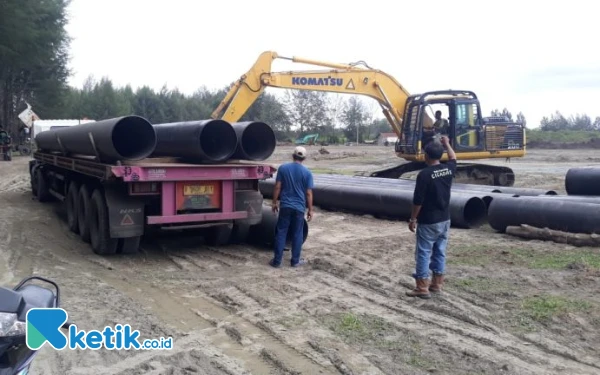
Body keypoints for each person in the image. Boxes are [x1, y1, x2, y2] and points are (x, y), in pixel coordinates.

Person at [406, 135, 456, 299]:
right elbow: (453, 157)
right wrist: (447, 143)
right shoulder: (448, 169)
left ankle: (421, 288)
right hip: (445, 219)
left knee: (423, 253)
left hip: (428, 221)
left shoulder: (424, 175)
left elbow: (418, 200)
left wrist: (413, 219)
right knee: (440, 251)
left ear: (426, 156)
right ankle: (437, 284)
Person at [270, 146, 314, 268]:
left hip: (285, 206)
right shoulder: (307, 173)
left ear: (292, 155)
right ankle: (295, 261)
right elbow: (309, 193)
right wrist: (310, 209)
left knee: (281, 232)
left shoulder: (283, 168)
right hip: (299, 208)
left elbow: (277, 187)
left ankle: (277, 261)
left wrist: (274, 202)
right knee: (297, 233)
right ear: (304, 158)